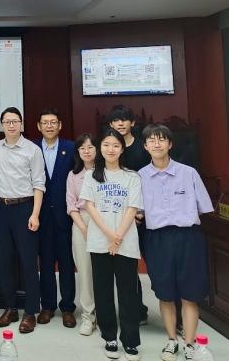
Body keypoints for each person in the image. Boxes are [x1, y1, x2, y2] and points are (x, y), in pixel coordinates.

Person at [139, 124, 213, 361]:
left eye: (162, 139)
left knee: (190, 294)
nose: (157, 144)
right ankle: (171, 340)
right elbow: (137, 212)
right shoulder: (139, 177)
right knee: (165, 294)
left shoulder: (188, 173)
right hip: (157, 239)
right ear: (145, 146)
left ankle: (189, 343)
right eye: (151, 140)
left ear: (170, 144)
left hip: (188, 237)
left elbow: (204, 207)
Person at [80, 128, 143, 361]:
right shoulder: (91, 176)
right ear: (100, 148)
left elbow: (132, 208)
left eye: (116, 145)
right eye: (106, 145)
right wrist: (109, 235)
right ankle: (109, 337)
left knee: (128, 293)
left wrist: (118, 237)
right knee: (103, 291)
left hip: (126, 242)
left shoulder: (132, 176)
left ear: (122, 149)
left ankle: (131, 341)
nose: (111, 149)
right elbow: (90, 207)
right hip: (99, 242)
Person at [0, 106, 45, 334]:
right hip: (2, 209)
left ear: (21, 124)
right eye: (7, 121)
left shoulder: (32, 150)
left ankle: (30, 312)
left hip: (25, 209)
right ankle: (10, 308)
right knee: (4, 262)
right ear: (2, 125)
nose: (11, 125)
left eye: (15, 121)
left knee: (28, 263)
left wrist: (35, 214)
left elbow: (39, 183)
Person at [33, 108, 76, 328]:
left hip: (65, 215)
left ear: (59, 125)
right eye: (45, 122)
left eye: (53, 122)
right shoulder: (32, 148)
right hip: (41, 215)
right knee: (46, 262)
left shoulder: (71, 148)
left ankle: (68, 307)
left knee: (67, 263)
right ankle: (47, 306)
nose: (49, 126)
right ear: (39, 126)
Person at [107, 104, 150, 325]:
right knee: (126, 267)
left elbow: (148, 183)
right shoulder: (108, 148)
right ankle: (135, 310)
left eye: (124, 119)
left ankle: (167, 313)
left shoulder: (143, 148)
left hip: (142, 217)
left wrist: (140, 212)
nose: (120, 123)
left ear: (132, 123)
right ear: (110, 124)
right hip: (116, 217)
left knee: (148, 264)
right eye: (116, 120)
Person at [65, 133, 98, 336]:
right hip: (81, 222)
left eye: (90, 147)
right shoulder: (73, 175)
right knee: (84, 272)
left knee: (102, 272)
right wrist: (84, 229)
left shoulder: (106, 172)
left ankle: (104, 314)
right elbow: (71, 205)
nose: (86, 151)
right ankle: (88, 316)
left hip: (104, 223)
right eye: (82, 148)